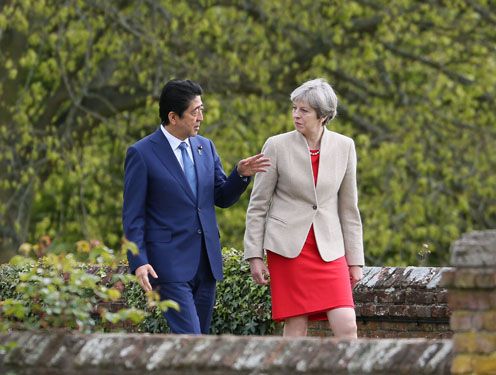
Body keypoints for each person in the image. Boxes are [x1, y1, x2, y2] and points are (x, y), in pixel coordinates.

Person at [123, 79, 270, 334]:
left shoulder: (205, 147)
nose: (201, 117)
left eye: (202, 109)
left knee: (197, 347)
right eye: (195, 111)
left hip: (206, 264)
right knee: (190, 338)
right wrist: (138, 261)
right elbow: (132, 216)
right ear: (173, 117)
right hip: (167, 266)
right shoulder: (142, 153)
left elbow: (221, 197)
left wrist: (240, 174)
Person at [244, 78, 364, 338]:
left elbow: (349, 209)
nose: (296, 115)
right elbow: (258, 205)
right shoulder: (275, 146)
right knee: (296, 326)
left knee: (347, 323)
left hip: (329, 249)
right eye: (294, 108)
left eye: (304, 110)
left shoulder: (345, 147)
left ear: (323, 116)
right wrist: (254, 254)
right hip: (288, 249)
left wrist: (356, 261)